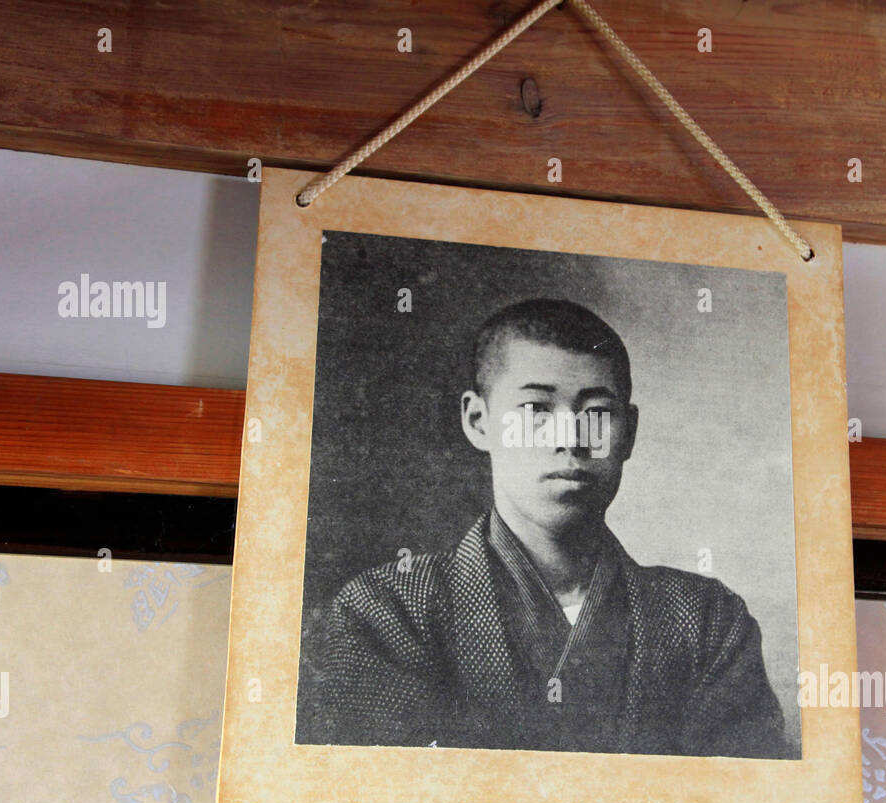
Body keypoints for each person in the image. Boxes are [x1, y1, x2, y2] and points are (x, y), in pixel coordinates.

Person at [298, 298, 788, 759]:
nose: (571, 438)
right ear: (478, 420)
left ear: (629, 433)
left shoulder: (707, 620)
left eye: (597, 413)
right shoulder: (388, 612)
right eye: (535, 410)